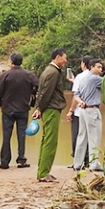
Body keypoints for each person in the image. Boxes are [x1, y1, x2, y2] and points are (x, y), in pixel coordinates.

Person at [0, 52, 37, 169]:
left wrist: (1, 104)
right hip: (23, 109)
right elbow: (38, 86)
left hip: (7, 110)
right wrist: (32, 96)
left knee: (6, 135)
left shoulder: (5, 75)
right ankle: (21, 160)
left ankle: (4, 162)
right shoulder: (29, 75)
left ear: (11, 62)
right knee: (21, 135)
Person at [32, 48, 68, 182]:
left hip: (47, 109)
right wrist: (40, 108)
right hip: (51, 109)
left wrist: (38, 107)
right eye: (64, 57)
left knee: (46, 140)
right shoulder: (54, 72)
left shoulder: (48, 70)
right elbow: (46, 92)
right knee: (50, 142)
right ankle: (44, 173)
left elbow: (41, 91)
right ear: (58, 57)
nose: (65, 60)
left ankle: (42, 171)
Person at [72, 56, 104, 171]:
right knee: (94, 137)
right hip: (92, 109)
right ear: (92, 67)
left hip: (83, 110)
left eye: (101, 67)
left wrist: (81, 102)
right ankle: (94, 164)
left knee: (82, 136)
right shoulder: (96, 79)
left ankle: (77, 163)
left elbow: (76, 95)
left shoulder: (83, 79)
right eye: (98, 67)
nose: (101, 70)